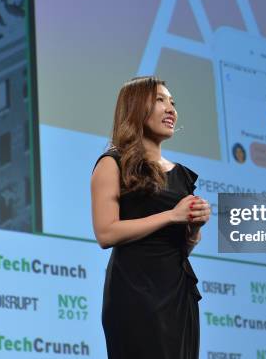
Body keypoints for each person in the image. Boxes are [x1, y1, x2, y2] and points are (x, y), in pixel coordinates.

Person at [91, 76, 211, 358]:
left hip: (178, 294)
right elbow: (106, 233)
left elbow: (183, 246)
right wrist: (172, 215)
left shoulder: (182, 175)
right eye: (160, 100)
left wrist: (193, 229)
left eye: (172, 102)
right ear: (135, 107)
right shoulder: (113, 163)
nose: (171, 108)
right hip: (134, 293)